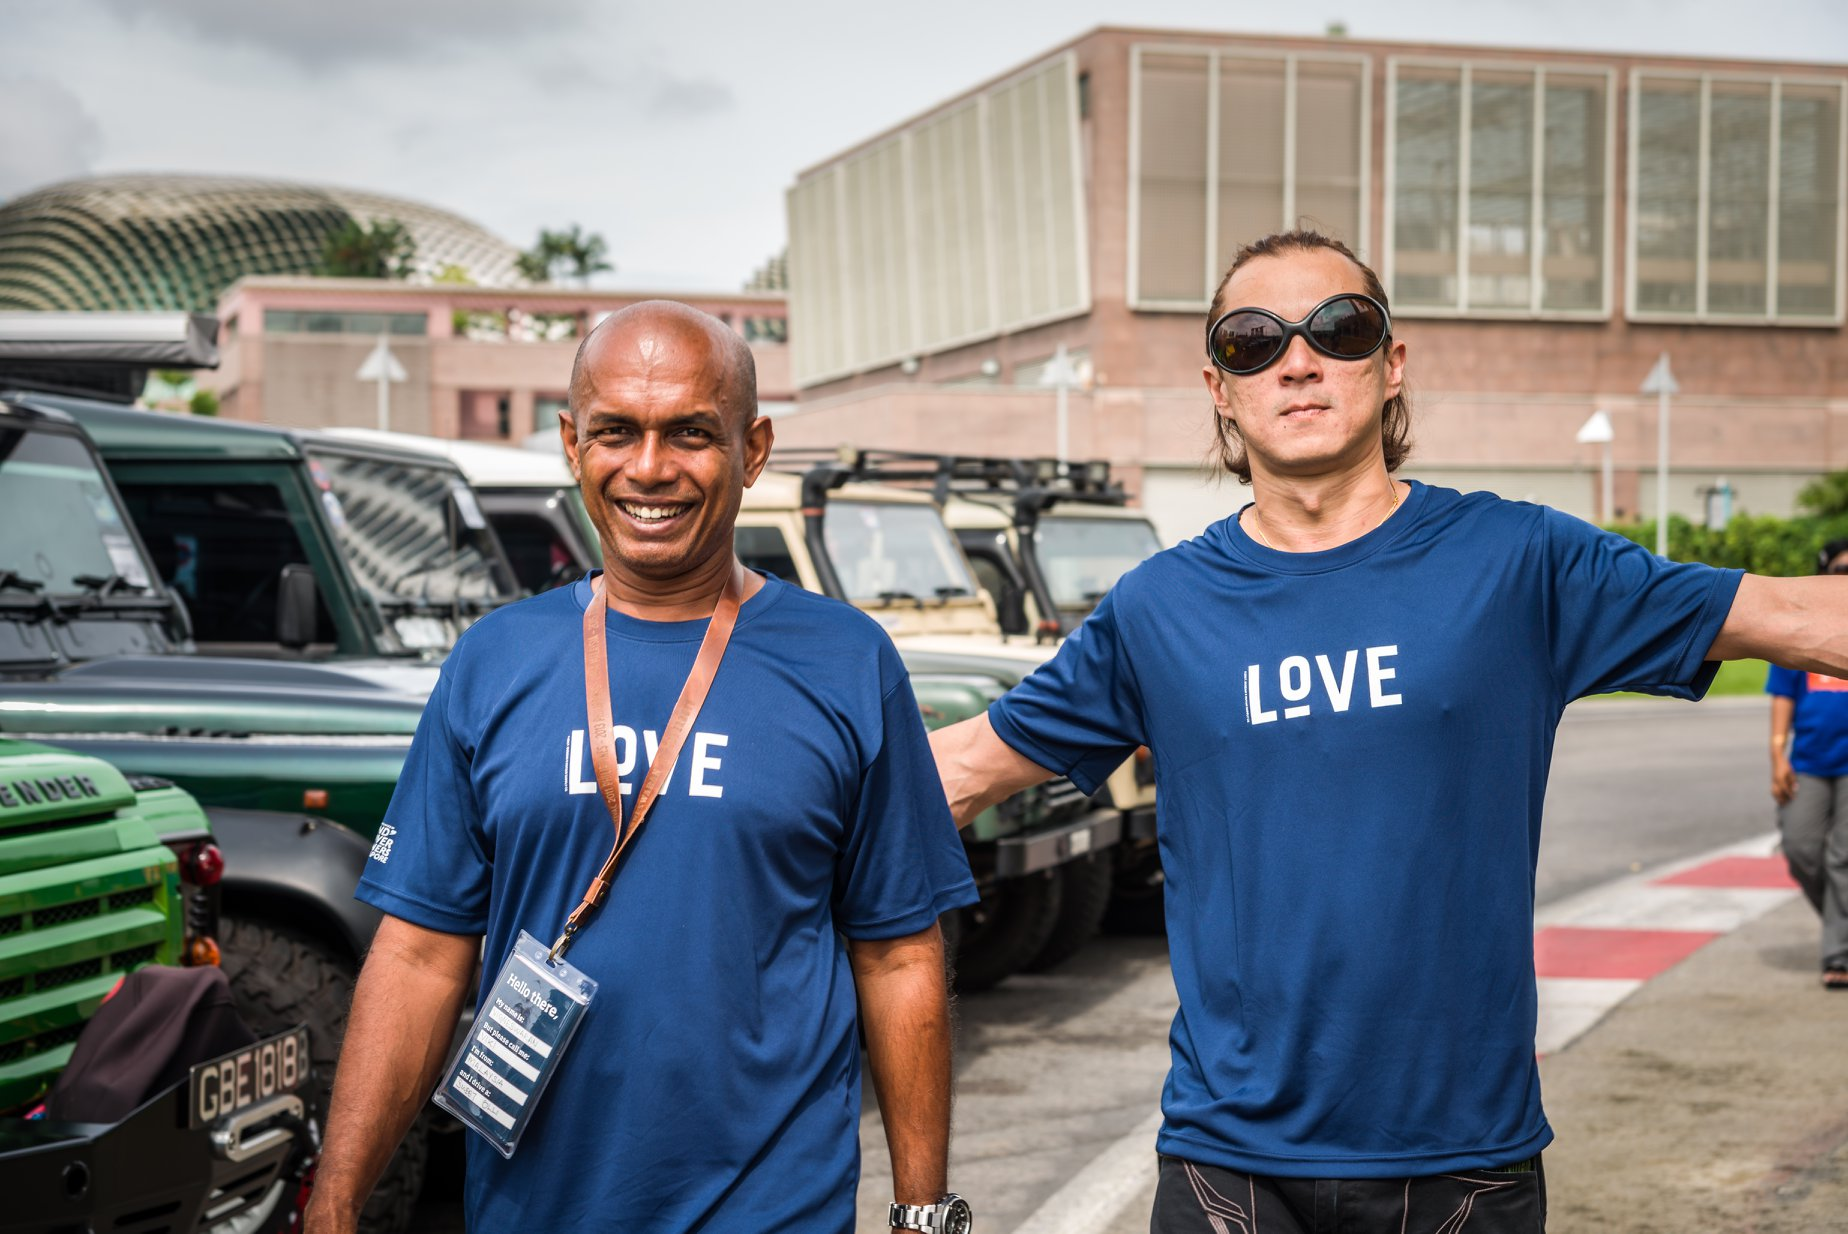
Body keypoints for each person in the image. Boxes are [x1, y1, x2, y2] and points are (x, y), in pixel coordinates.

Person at [929, 230, 1848, 1233]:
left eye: (1339, 326)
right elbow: (961, 771)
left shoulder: (1515, 561)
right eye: (1253, 340)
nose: (1298, 358)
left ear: (1391, 363)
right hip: (1229, 1167)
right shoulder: (1157, 610)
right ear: (1219, 388)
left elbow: (1798, 618)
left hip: (1462, 1168)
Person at [304, 301, 979, 1234]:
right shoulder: (492, 662)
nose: (651, 468)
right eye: (617, 432)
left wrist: (921, 1214)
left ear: (754, 448)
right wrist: (334, 1206)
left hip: (773, 1210)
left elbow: (899, 951)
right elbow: (420, 954)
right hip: (533, 1210)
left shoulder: (847, 662)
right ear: (573, 445)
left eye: (691, 433)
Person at [1768, 537, 1848, 990]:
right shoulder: (1804, 629)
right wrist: (1776, 752)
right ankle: (1843, 923)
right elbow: (1782, 695)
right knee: (1801, 849)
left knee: (1844, 858)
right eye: (1840, 570)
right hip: (1811, 761)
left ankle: (1839, 952)